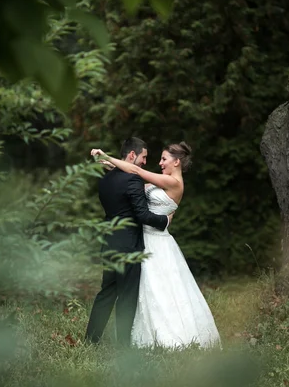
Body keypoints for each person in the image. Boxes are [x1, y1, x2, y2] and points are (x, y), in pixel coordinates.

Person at [90, 141, 221, 349]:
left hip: (157, 241)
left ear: (177, 161)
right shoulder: (162, 181)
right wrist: (113, 167)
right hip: (143, 239)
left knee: (163, 290)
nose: (159, 163)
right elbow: (131, 179)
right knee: (144, 291)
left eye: (164, 159)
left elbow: (134, 170)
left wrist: (105, 157)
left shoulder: (174, 183)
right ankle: (140, 336)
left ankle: (170, 336)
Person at [84, 137, 173, 346]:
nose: (144, 162)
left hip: (110, 242)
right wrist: (164, 220)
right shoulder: (132, 180)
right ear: (132, 155)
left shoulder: (105, 179)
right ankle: (123, 346)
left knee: (106, 292)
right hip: (129, 246)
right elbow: (142, 215)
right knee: (126, 297)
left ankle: (90, 341)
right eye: (143, 157)